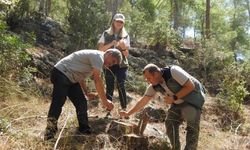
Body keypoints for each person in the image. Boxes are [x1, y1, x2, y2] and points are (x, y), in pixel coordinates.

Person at [120, 63, 206, 150]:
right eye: (146, 79)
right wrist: (128, 113)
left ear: (156, 73)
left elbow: (191, 86)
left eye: (148, 78)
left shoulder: (173, 71)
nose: (147, 80)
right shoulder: (153, 86)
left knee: (192, 128)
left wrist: (174, 97)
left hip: (194, 98)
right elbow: (143, 101)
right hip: (177, 102)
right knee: (170, 123)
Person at [44, 49, 122, 140]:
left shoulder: (96, 61)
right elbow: (97, 80)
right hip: (61, 73)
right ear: (109, 53)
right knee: (58, 102)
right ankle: (49, 133)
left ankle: (84, 130)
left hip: (71, 78)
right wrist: (105, 101)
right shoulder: (99, 57)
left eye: (113, 64)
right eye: (112, 61)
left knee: (81, 102)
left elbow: (81, 77)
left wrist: (86, 92)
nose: (111, 65)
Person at [98, 13, 130, 117]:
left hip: (122, 65)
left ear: (123, 23)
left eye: (121, 22)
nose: (119, 23)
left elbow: (126, 55)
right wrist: (111, 44)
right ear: (114, 21)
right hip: (108, 64)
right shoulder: (106, 33)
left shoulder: (126, 36)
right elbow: (100, 50)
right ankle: (108, 110)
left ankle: (124, 110)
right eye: (118, 21)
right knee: (109, 85)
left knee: (121, 85)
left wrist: (123, 47)